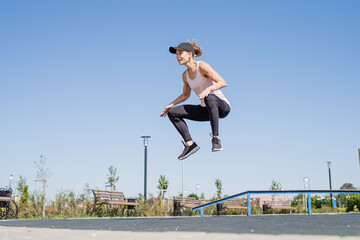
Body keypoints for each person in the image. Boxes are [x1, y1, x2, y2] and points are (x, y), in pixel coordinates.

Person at [160, 41, 231, 160]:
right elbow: (185, 95)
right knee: (173, 113)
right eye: (176, 54)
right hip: (206, 109)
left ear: (189, 54)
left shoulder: (202, 66)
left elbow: (222, 82)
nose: (177, 57)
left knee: (210, 97)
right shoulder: (185, 75)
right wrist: (170, 105)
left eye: (180, 53)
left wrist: (209, 89)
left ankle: (216, 138)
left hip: (221, 107)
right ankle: (190, 144)